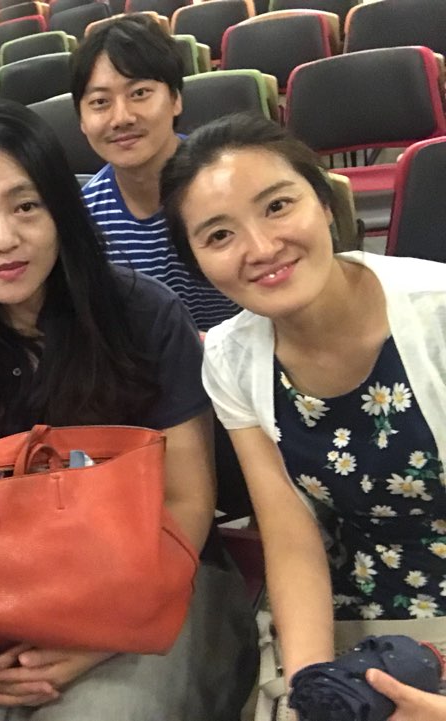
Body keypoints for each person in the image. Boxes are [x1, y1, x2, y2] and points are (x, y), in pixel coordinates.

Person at [0, 98, 257, 721]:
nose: (2, 240)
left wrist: (103, 631)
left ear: (61, 208)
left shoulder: (143, 313)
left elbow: (188, 501)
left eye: (26, 207)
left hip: (146, 578)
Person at [159, 113, 446, 717]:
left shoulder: (438, 315)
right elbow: (291, 537)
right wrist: (313, 690)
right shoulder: (231, 360)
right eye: (219, 235)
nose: (262, 249)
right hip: (353, 603)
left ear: (323, 202)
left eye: (277, 206)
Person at [72, 16, 239, 331]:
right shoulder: (84, 219)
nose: (121, 118)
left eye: (139, 93)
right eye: (100, 102)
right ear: (81, 120)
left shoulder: (230, 184)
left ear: (175, 99)